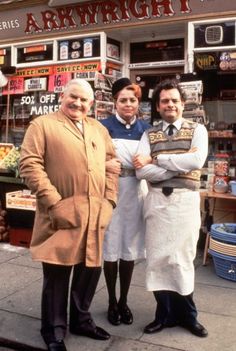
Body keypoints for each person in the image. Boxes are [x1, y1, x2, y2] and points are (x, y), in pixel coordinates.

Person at [19, 78, 118, 351]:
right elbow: (29, 164)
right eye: (73, 97)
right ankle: (53, 330)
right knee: (57, 273)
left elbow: (112, 165)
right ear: (63, 96)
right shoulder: (43, 125)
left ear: (92, 103)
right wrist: (54, 202)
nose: (78, 103)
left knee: (89, 271)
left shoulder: (98, 129)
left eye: (84, 100)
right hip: (60, 214)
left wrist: (110, 200)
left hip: (96, 214)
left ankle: (81, 320)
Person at [133, 79, 208, 338]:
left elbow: (197, 160)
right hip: (157, 203)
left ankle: (188, 316)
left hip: (184, 202)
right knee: (158, 259)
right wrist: (179, 164)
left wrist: (158, 159)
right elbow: (141, 171)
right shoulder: (148, 134)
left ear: (182, 104)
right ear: (158, 105)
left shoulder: (197, 130)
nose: (170, 104)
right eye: (165, 100)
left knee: (183, 259)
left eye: (175, 100)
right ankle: (163, 315)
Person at [100, 78, 150, 326]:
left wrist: (148, 162)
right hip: (110, 190)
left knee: (129, 247)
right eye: (123, 100)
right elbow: (90, 157)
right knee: (110, 245)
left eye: (132, 100)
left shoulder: (147, 129)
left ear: (138, 102)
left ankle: (124, 300)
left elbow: (154, 158)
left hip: (135, 191)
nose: (128, 104)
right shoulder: (102, 127)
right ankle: (110, 300)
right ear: (114, 102)